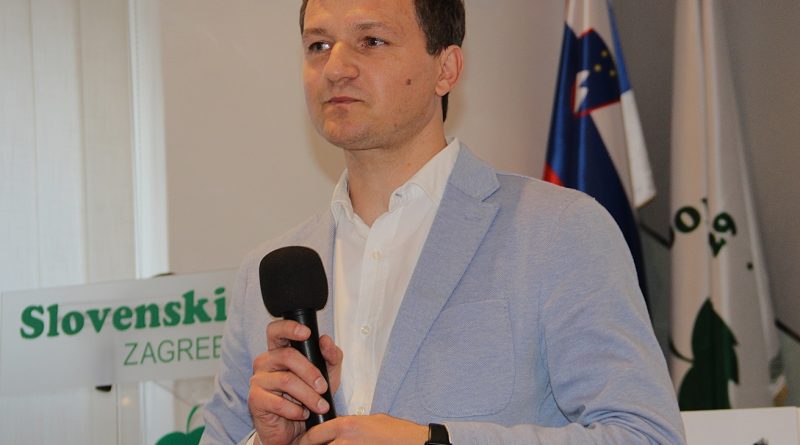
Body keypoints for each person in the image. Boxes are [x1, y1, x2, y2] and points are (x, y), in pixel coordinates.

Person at [200, 0, 685, 444]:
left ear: (446, 69)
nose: (336, 68)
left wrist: (431, 441)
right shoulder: (267, 274)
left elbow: (646, 436)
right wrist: (266, 441)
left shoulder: (559, 231)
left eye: (371, 41)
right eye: (318, 45)